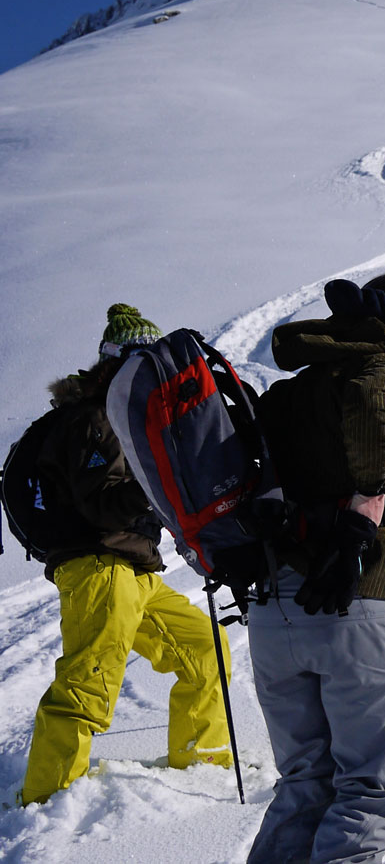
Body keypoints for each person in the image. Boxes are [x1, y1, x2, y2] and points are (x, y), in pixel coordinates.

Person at [245, 271, 385, 864]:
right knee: (372, 795)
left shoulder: (298, 386)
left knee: (305, 786)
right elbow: (376, 400)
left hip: (275, 606)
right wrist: (365, 507)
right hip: (350, 601)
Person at [20, 304, 232, 805]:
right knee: (88, 679)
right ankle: (47, 797)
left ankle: (201, 765)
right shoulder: (96, 419)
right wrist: (161, 478)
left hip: (132, 569)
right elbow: (103, 506)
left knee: (205, 650)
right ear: (116, 360)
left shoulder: (122, 417)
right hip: (98, 565)